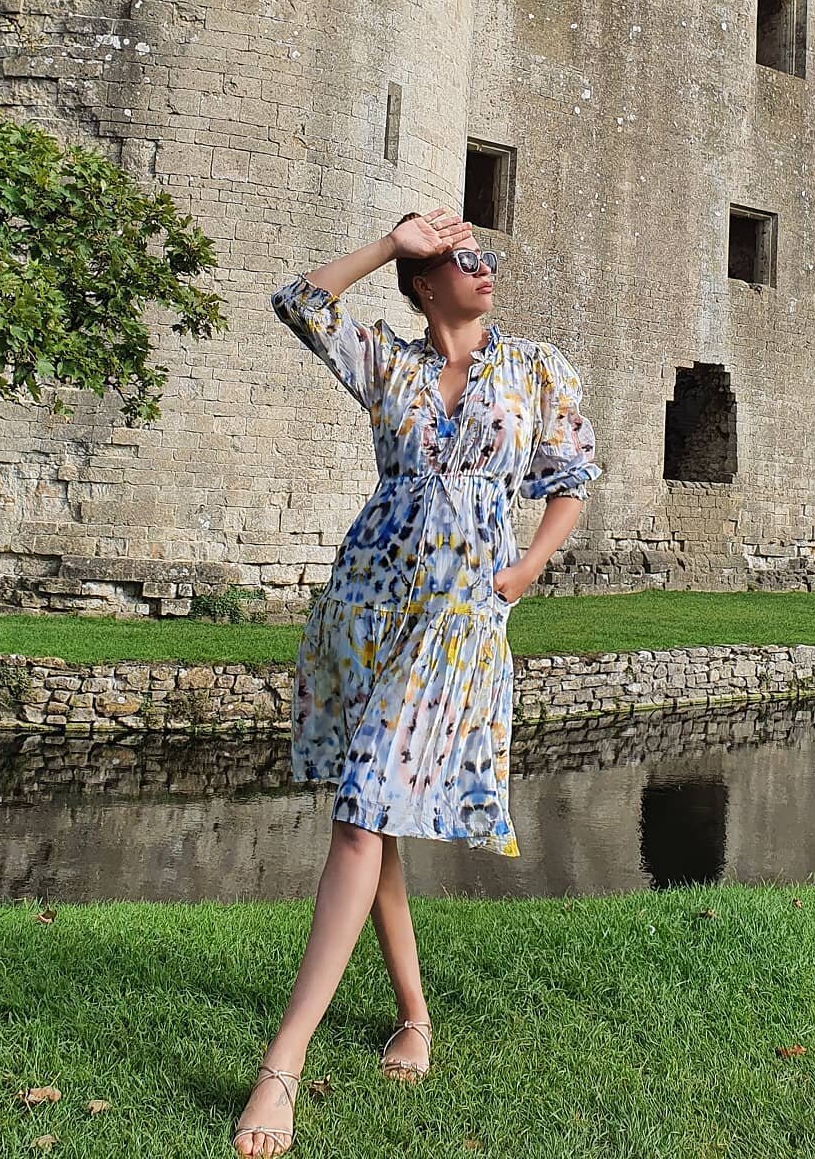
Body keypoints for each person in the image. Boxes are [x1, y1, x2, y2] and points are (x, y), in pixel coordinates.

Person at [230, 206, 603, 1157]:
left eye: (481, 256)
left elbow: (571, 476)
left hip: (460, 621)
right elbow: (299, 302)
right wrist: (391, 242)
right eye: (459, 259)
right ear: (423, 284)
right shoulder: (389, 365)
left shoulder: (534, 368)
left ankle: (284, 1064)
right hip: (367, 605)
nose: (481, 267)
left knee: (362, 819)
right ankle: (414, 1015)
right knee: (373, 811)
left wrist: (526, 571)